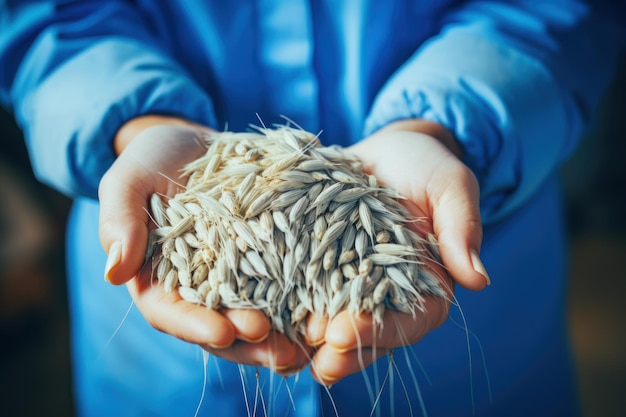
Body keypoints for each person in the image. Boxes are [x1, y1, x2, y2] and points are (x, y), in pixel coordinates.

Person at [0, 1, 623, 416]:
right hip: (162, 344)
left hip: (460, 257)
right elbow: (41, 16)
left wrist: (443, 129)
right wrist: (134, 126)